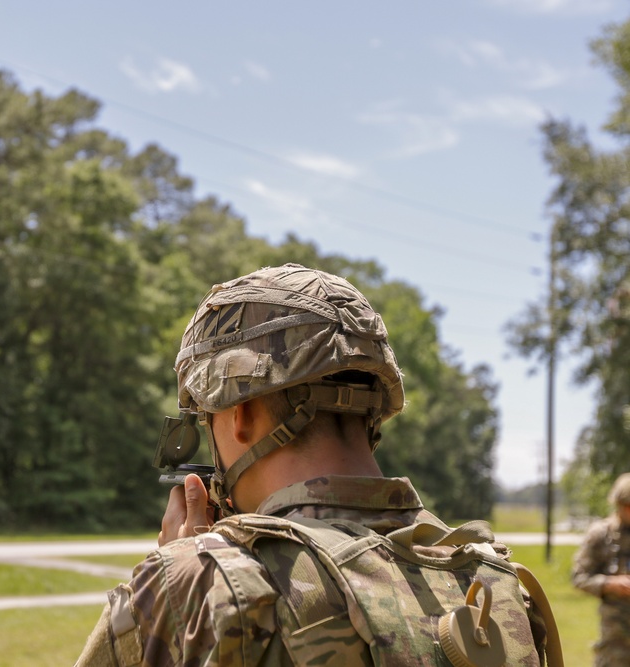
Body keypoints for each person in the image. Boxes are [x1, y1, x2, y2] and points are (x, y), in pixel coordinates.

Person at [74, 263, 551, 666]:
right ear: (372, 411)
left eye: (206, 418)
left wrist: (182, 581)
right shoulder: (497, 582)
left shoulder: (199, 585)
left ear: (240, 415)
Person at [572, 473, 630, 666]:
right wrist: (609, 583)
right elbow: (579, 576)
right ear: (618, 504)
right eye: (627, 506)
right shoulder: (601, 534)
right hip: (617, 637)